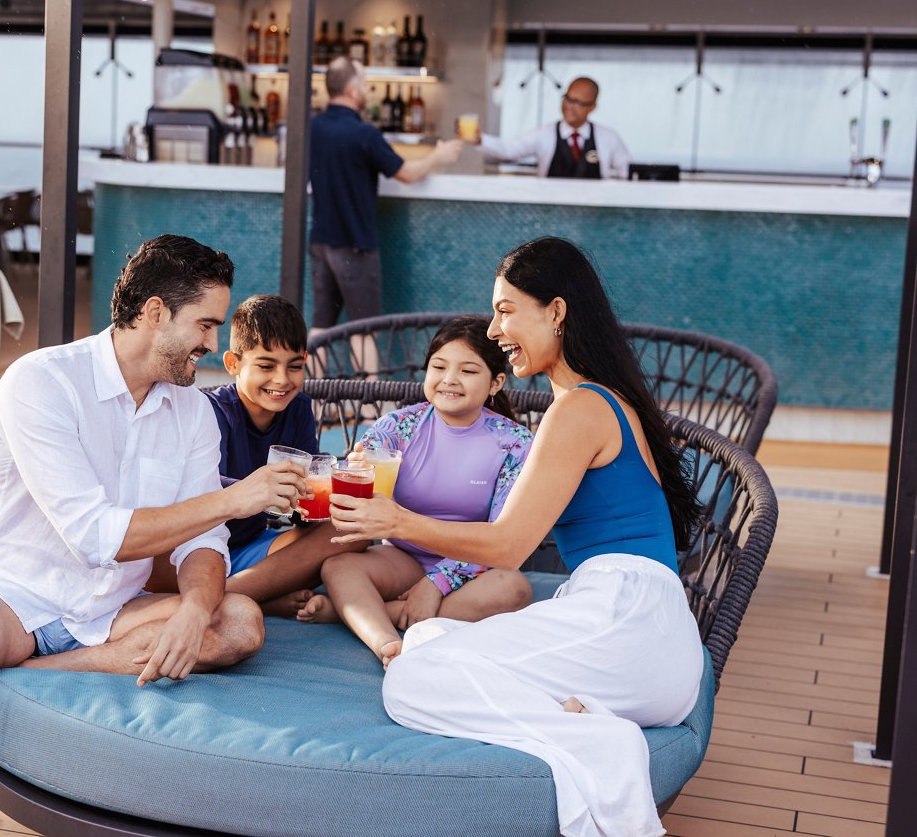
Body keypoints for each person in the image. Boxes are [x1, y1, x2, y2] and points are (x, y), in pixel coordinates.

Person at [0, 235, 305, 837]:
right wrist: (241, 496)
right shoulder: (41, 382)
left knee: (238, 622)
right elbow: (93, 534)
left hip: (109, 608)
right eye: (205, 325)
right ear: (156, 312)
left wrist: (195, 606)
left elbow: (203, 540)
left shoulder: (189, 412)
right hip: (10, 591)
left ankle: (23, 677)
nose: (213, 344)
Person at [327, 237, 702, 837]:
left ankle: (601, 741)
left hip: (626, 625)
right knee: (425, 638)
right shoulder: (592, 400)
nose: (496, 328)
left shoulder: (579, 408)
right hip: (643, 638)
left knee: (412, 681)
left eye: (506, 310)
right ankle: (573, 715)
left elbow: (508, 547)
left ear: (555, 311)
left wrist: (394, 522)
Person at [296, 316, 535, 664]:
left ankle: (372, 612)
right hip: (403, 558)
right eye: (439, 366)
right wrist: (357, 467)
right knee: (338, 567)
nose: (450, 380)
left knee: (514, 589)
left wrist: (436, 583)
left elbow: (503, 538)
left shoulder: (514, 443)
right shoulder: (399, 426)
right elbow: (359, 486)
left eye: (468, 371)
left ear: (496, 382)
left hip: (474, 568)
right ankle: (386, 643)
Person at [156, 294, 338, 617]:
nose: (282, 380)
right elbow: (205, 488)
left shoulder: (298, 410)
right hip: (192, 554)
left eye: (294, 367)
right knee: (149, 565)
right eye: (266, 366)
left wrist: (322, 495)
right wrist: (260, 488)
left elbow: (302, 506)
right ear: (233, 364)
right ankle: (251, 593)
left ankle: (236, 594)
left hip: (253, 548)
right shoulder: (211, 412)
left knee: (346, 532)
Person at [309, 56, 463, 339]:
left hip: (320, 241)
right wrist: (437, 157)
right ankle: (368, 385)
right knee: (364, 330)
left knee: (321, 325)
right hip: (354, 244)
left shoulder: (313, 127)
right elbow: (407, 174)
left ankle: (304, 382)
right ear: (353, 90)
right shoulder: (364, 134)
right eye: (366, 84)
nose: (368, 91)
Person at [476, 77, 631, 179]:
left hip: (595, 217)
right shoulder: (544, 134)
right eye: (568, 99)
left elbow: (628, 174)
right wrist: (479, 140)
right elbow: (508, 150)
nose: (570, 106)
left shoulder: (609, 138)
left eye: (578, 102)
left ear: (592, 106)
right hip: (550, 217)